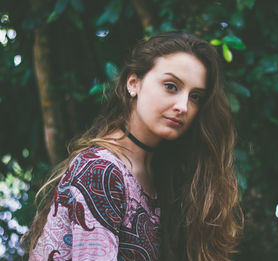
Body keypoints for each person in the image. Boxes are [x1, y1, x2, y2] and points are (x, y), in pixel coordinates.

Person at [24, 31, 243, 261]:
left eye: (195, 96)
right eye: (171, 86)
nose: (183, 106)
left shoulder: (165, 175)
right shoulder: (101, 171)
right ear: (133, 83)